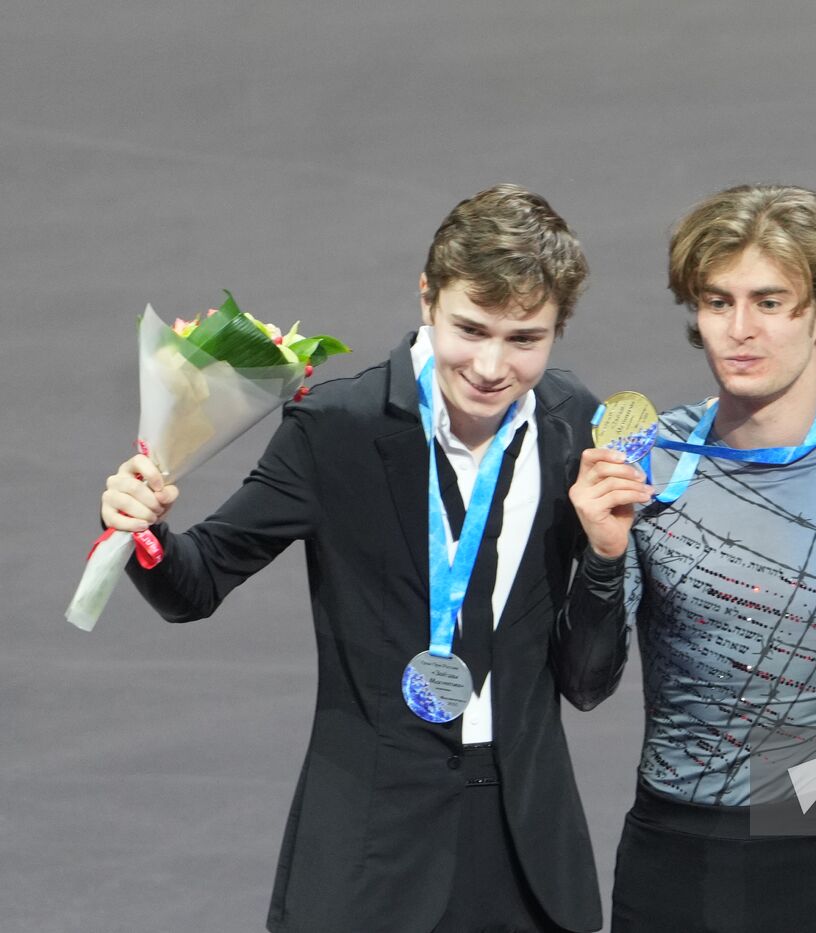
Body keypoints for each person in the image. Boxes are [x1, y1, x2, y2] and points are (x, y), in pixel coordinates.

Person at [100, 184, 615, 933]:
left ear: (557, 329)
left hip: (526, 853)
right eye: (470, 328)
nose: (492, 365)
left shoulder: (573, 424)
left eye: (525, 339)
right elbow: (195, 583)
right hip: (371, 858)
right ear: (427, 297)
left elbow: (588, 682)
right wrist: (139, 529)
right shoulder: (335, 431)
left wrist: (605, 556)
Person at [556, 184, 816, 933]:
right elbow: (585, 684)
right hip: (676, 856)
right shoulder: (645, 456)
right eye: (717, 302)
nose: (739, 330)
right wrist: (604, 554)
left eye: (769, 302)